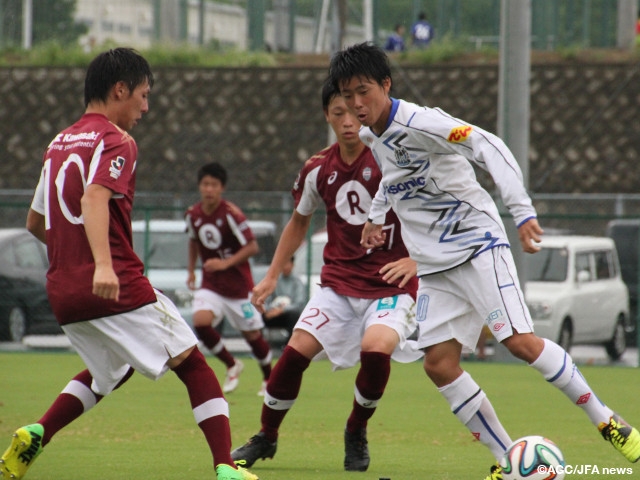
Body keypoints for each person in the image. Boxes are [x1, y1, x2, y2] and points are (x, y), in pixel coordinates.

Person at [327, 42, 640, 480]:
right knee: (438, 365)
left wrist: (522, 210)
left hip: (476, 245)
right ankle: (509, 460)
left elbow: (486, 143)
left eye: (363, 91)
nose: (356, 104)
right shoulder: (371, 134)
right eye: (347, 95)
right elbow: (396, 176)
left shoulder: (420, 121)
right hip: (435, 266)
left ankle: (610, 422)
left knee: (519, 342)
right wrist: (376, 217)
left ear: (385, 84)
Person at [0, 48, 258, 480]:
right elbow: (94, 197)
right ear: (120, 89)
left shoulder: (58, 143)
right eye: (143, 94)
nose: (145, 106)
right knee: (194, 364)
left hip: (63, 291)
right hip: (113, 284)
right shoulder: (117, 140)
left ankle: (37, 431)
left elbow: (34, 222)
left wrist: (75, 261)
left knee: (112, 370)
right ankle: (226, 467)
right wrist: (101, 265)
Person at [230, 79, 420, 472]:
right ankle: (266, 436)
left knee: (376, 348)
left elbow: (427, 213)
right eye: (338, 113)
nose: (348, 121)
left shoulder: (391, 158)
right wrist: (269, 277)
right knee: (294, 353)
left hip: (390, 284)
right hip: (338, 284)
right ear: (327, 117)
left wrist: (417, 261)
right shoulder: (317, 168)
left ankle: (356, 428)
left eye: (354, 112)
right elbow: (299, 223)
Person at [186, 162, 273, 396]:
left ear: (222, 188)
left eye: (214, 185)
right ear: (200, 187)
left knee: (252, 336)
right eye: (205, 184)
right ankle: (232, 364)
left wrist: (225, 263)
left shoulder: (231, 214)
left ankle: (269, 378)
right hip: (211, 285)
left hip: (238, 288)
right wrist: (191, 270)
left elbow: (253, 246)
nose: (209, 189)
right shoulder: (193, 215)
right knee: (201, 322)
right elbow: (193, 241)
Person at [262, 255, 307, 340]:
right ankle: (261, 347)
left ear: (292, 265)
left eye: (288, 263)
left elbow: (299, 305)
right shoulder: (274, 281)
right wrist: (268, 310)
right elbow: (267, 299)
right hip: (273, 314)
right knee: (260, 314)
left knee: (293, 315)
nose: (285, 266)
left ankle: (289, 345)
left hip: (289, 315)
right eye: (283, 264)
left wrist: (282, 310)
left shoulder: (297, 282)